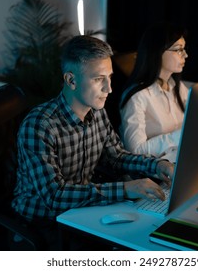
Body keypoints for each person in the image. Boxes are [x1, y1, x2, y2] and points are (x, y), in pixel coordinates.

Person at [11, 35, 174, 250]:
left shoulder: (97, 112)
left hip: (82, 208)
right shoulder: (39, 125)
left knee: (148, 234)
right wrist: (125, 189)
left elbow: (116, 157)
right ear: (71, 80)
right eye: (98, 79)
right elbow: (54, 196)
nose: (109, 89)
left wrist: (157, 165)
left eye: (109, 78)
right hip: (43, 220)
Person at [119, 22, 189, 162]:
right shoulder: (137, 96)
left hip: (180, 160)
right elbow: (135, 150)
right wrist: (180, 135)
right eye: (179, 50)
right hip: (153, 173)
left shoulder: (178, 87)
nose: (185, 55)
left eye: (184, 49)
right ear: (158, 52)